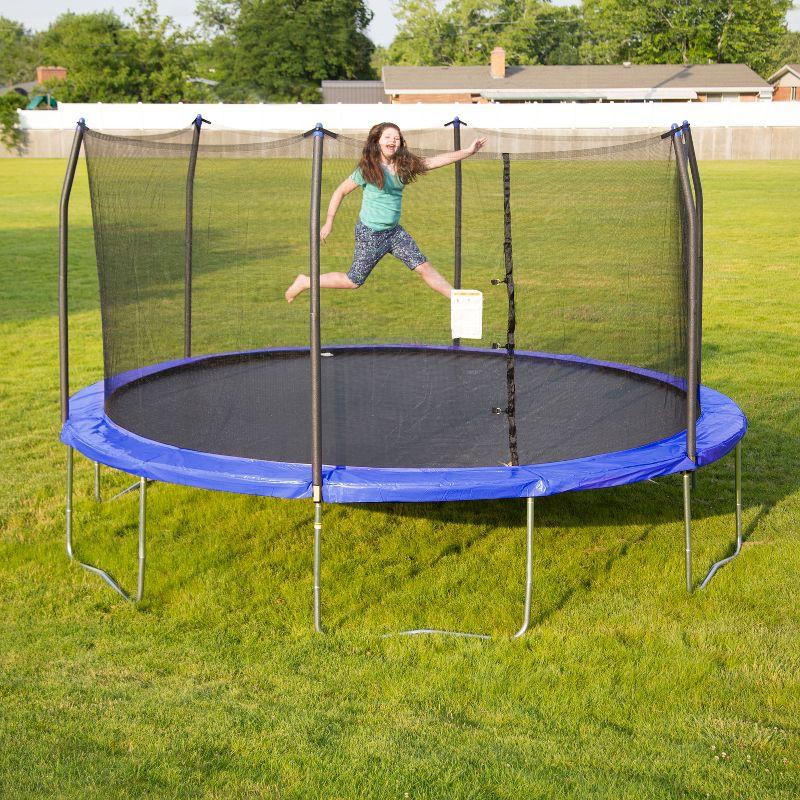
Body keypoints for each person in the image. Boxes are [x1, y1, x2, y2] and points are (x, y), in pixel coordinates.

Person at [285, 122, 486, 303]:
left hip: (394, 233)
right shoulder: (368, 169)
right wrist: (329, 222)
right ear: (378, 142)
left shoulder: (405, 165)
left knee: (423, 266)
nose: (393, 141)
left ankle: (456, 298)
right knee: (353, 280)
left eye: (396, 138)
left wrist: (468, 151)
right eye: (388, 137)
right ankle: (305, 281)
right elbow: (341, 191)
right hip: (370, 234)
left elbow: (435, 161)